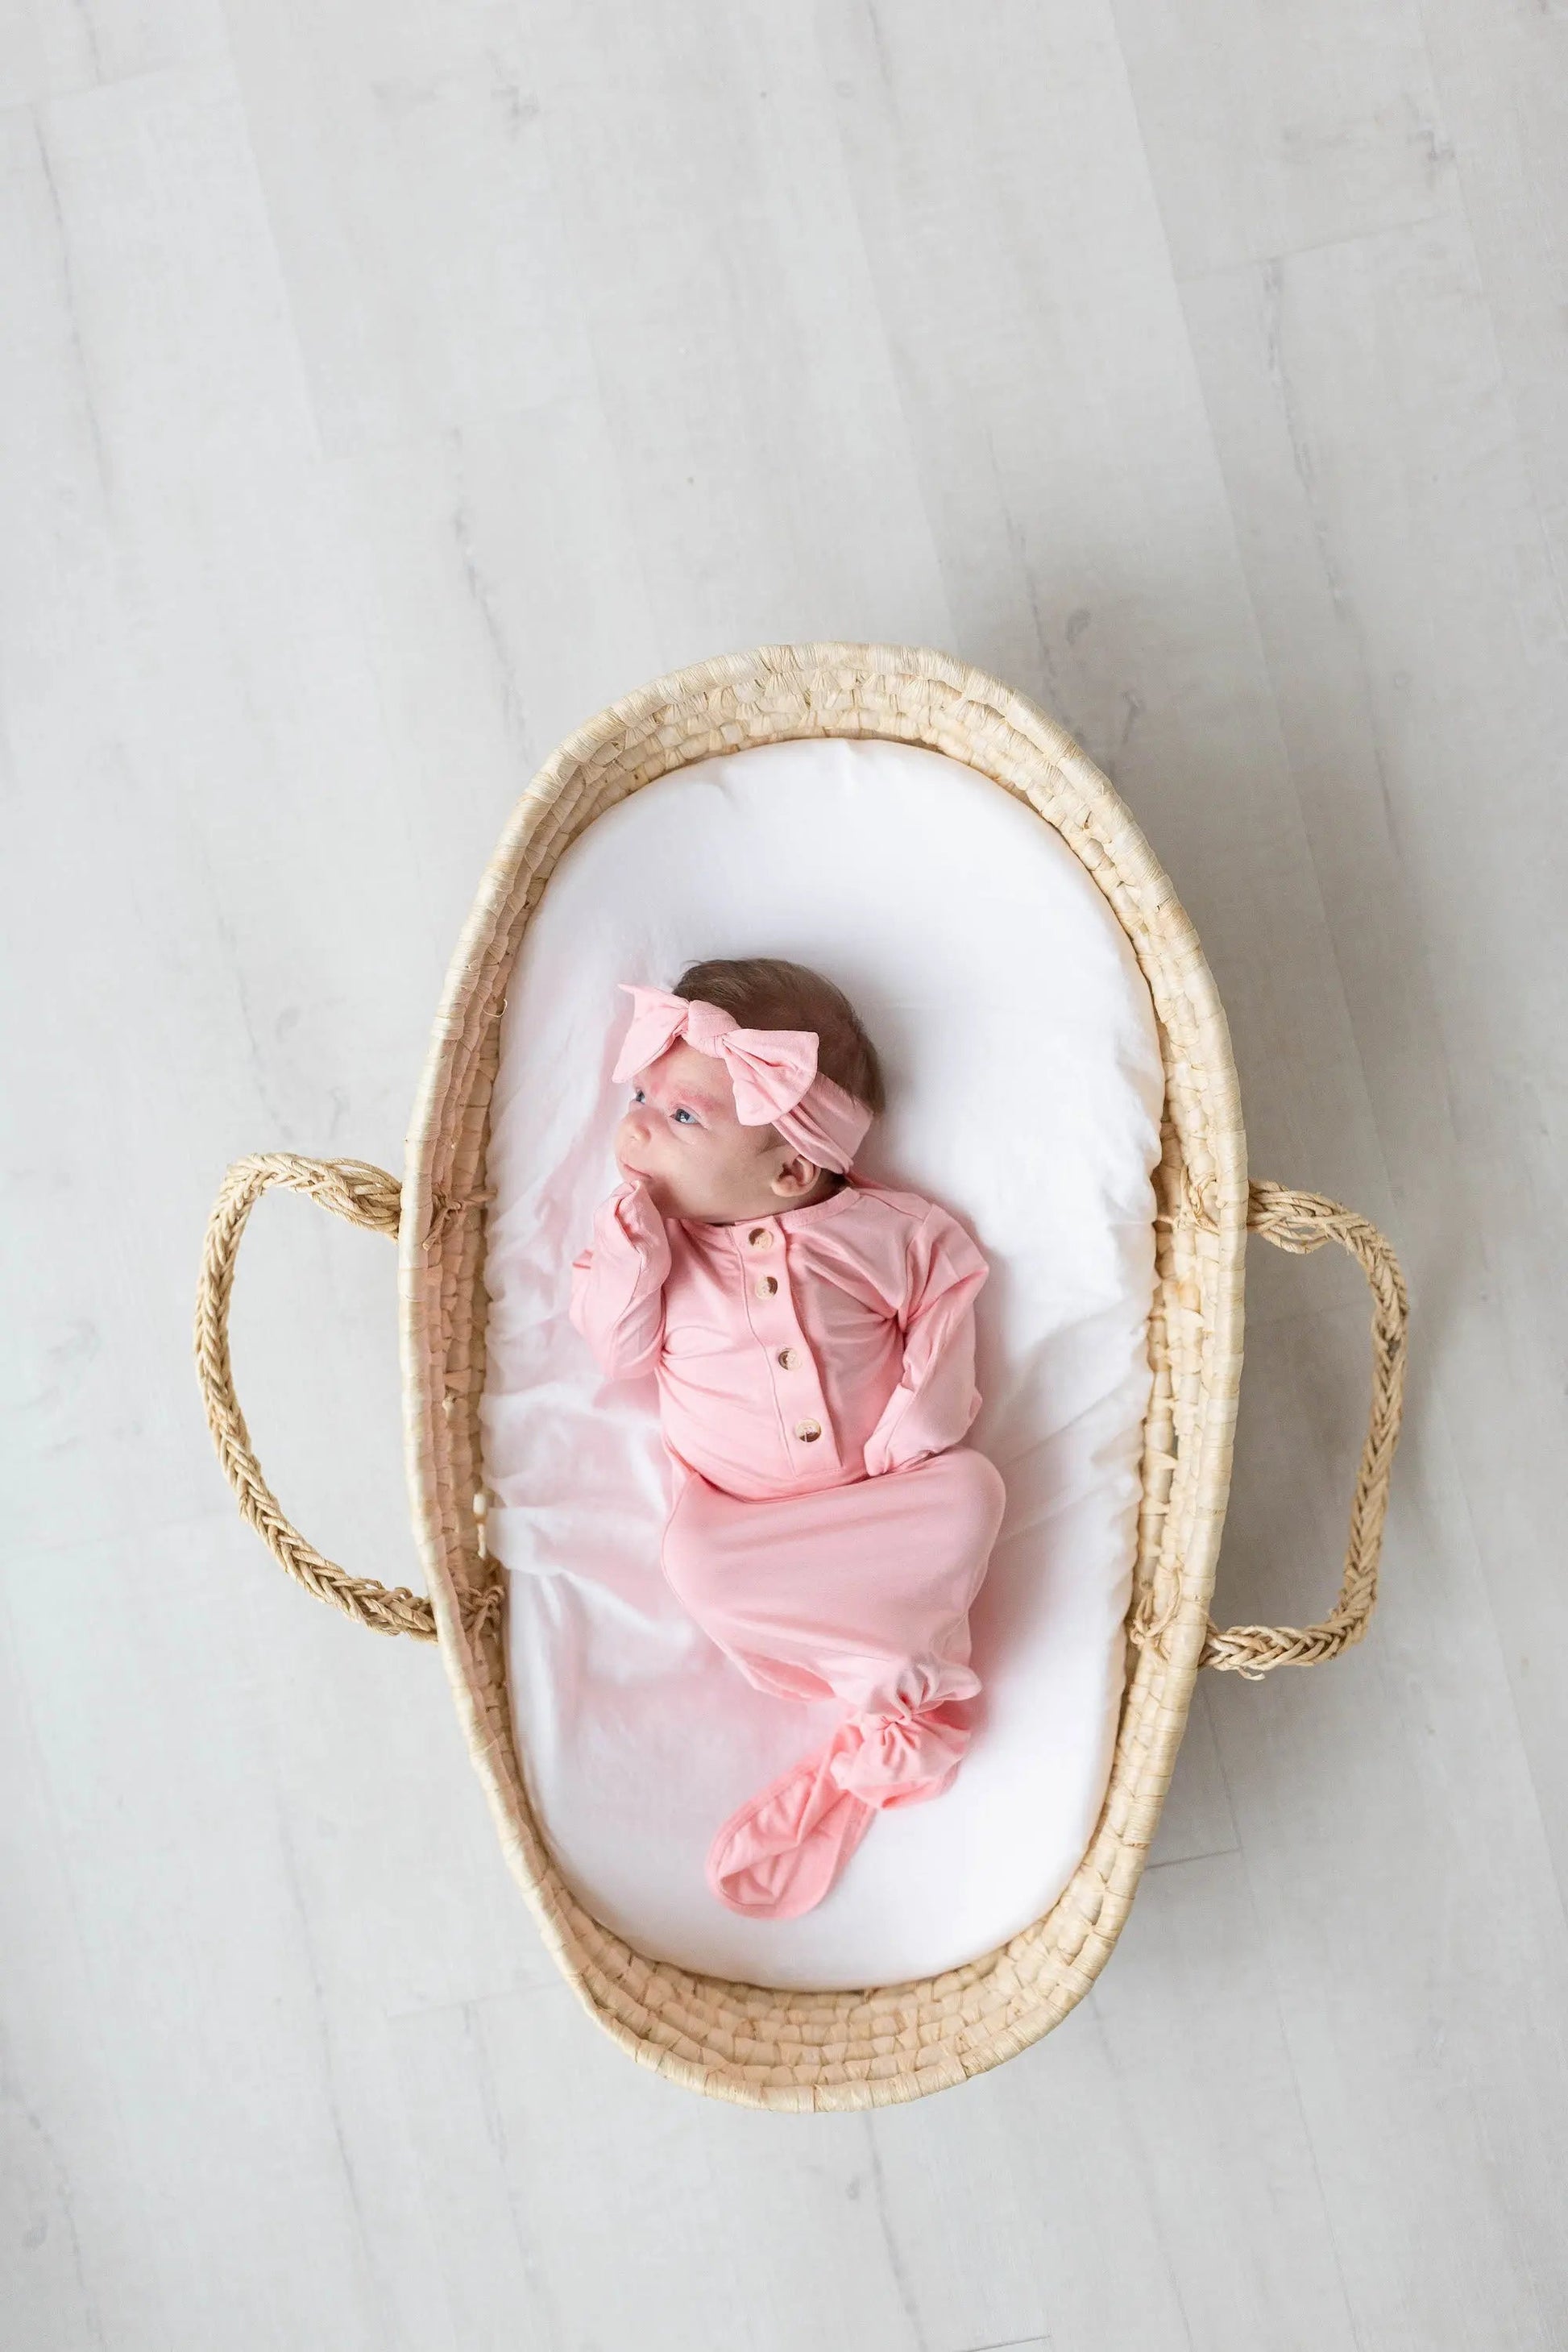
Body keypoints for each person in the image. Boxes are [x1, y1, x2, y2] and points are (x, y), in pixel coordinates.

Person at [570, 958, 1006, 1920]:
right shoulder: (647, 1250)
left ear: (791, 1170)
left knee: (971, 1488)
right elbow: (615, 1351)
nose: (638, 1127)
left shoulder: (886, 1232)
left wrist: (919, 1421)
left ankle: (883, 1683)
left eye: (683, 1116)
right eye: (640, 1099)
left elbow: (949, 1288)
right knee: (692, 1561)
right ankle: (880, 1683)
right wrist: (631, 1258)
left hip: (882, 1504)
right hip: (749, 1532)